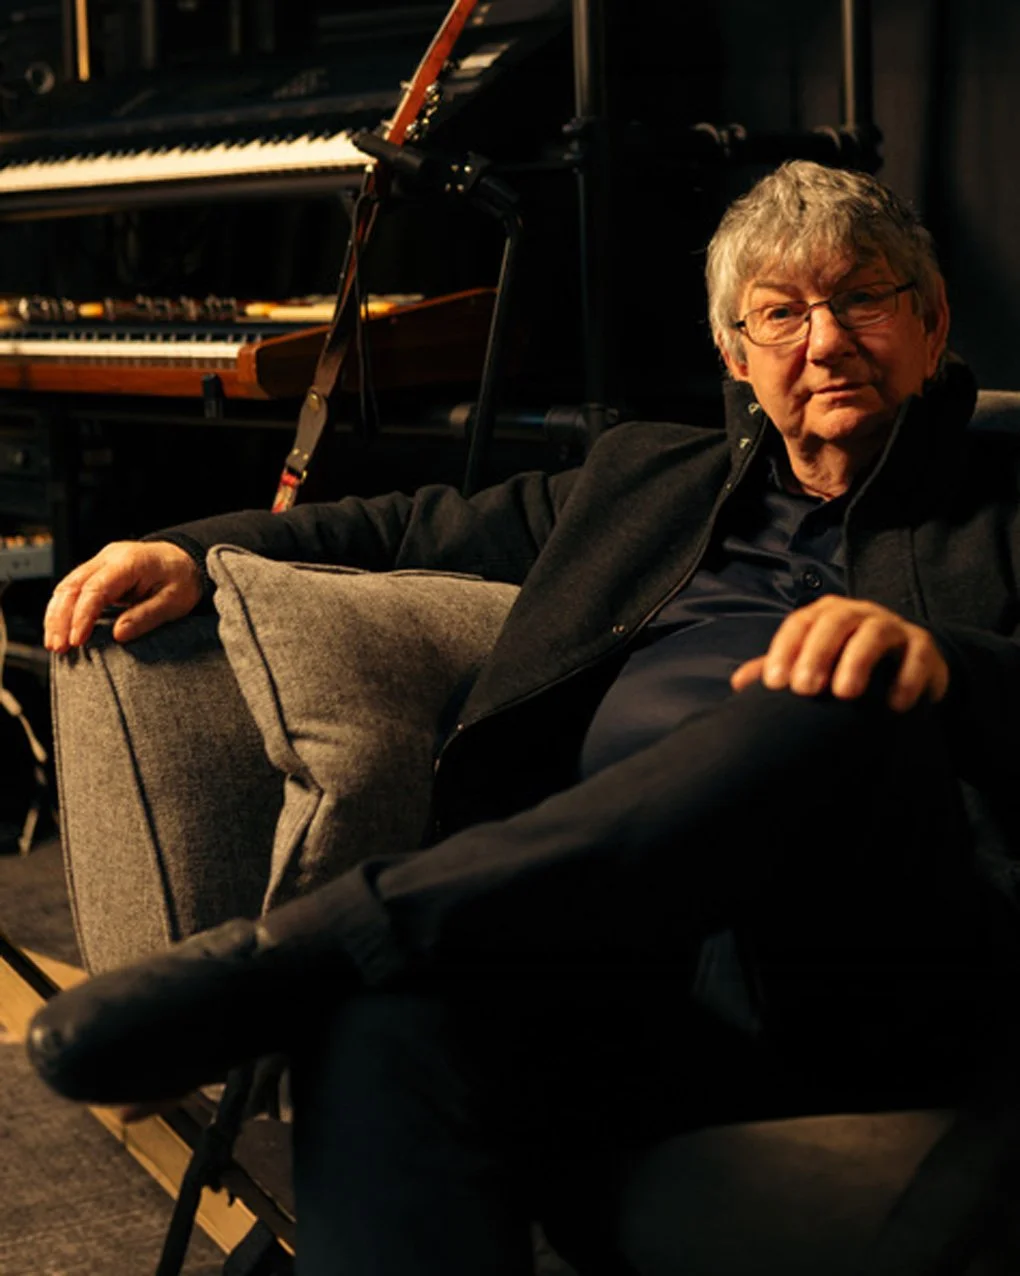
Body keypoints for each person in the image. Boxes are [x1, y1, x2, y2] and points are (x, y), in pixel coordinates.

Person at [26, 160, 1020, 1274]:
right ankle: (363, 957)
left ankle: (333, 938)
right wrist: (194, 550)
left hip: (881, 977)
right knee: (386, 1021)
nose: (826, 341)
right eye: (782, 314)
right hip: (621, 978)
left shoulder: (1007, 501)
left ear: (931, 327)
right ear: (735, 357)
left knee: (828, 696)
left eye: (864, 299)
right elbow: (406, 525)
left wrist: (944, 664)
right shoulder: (645, 482)